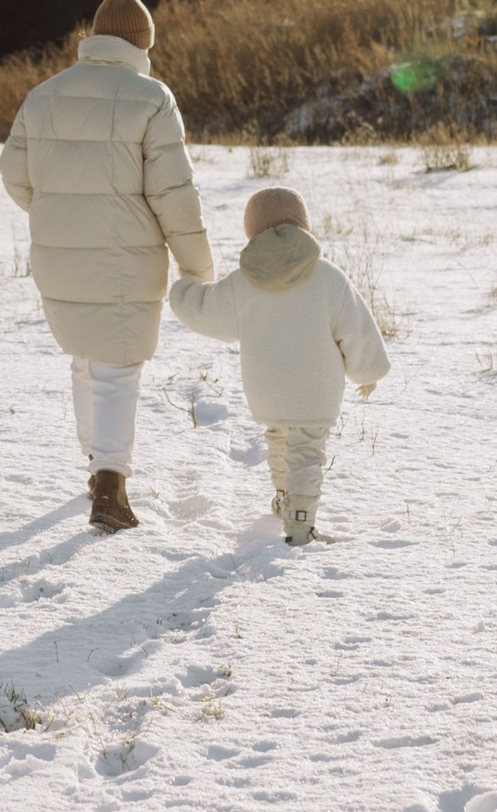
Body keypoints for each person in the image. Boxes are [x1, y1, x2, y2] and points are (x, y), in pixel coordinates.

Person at [0, 0, 214, 531]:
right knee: (117, 366)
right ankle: (110, 488)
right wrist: (197, 265)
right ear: (142, 44)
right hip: (127, 254)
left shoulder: (44, 93)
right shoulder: (152, 97)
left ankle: (96, 467)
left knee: (86, 359)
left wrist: (57, 216)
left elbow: (13, 173)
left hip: (59, 252)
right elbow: (173, 192)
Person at [165, 181, 389, 543]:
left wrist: (183, 289)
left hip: (267, 389)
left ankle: (285, 498)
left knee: (279, 438)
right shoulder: (329, 277)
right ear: (303, 223)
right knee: (305, 450)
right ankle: (299, 524)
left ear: (251, 230)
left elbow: (206, 310)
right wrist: (368, 370)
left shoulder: (243, 282)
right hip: (315, 390)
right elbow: (356, 328)